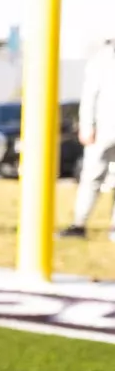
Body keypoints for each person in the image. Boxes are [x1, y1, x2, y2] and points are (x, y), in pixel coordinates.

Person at [60, 34, 115, 239]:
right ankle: (79, 223)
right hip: (102, 130)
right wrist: (86, 125)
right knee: (91, 176)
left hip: (104, 129)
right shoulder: (101, 60)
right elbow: (90, 95)